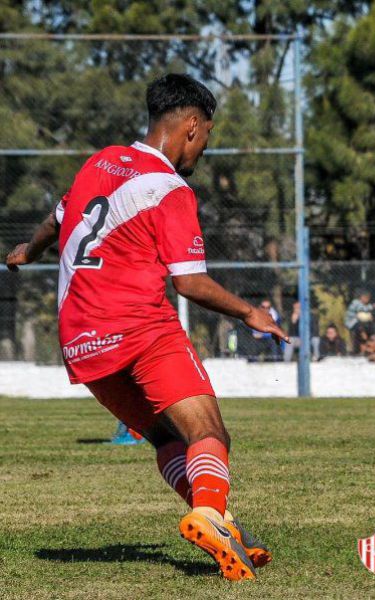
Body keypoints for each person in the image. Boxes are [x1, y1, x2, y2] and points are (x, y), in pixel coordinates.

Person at [4, 74, 289, 581]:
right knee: (208, 431)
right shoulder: (169, 189)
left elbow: (58, 216)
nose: (203, 150)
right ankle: (210, 515)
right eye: (208, 138)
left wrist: (30, 250)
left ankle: (219, 518)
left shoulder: (101, 161)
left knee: (163, 438)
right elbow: (190, 284)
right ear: (193, 127)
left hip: (79, 340)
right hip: (138, 327)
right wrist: (251, 313)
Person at [344, 290, 375, 354]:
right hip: (351, 322)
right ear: (362, 297)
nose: (367, 300)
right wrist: (371, 306)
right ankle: (363, 337)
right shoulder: (356, 302)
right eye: (366, 298)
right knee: (361, 329)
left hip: (356, 322)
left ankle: (365, 344)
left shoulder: (359, 303)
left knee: (367, 325)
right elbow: (362, 309)